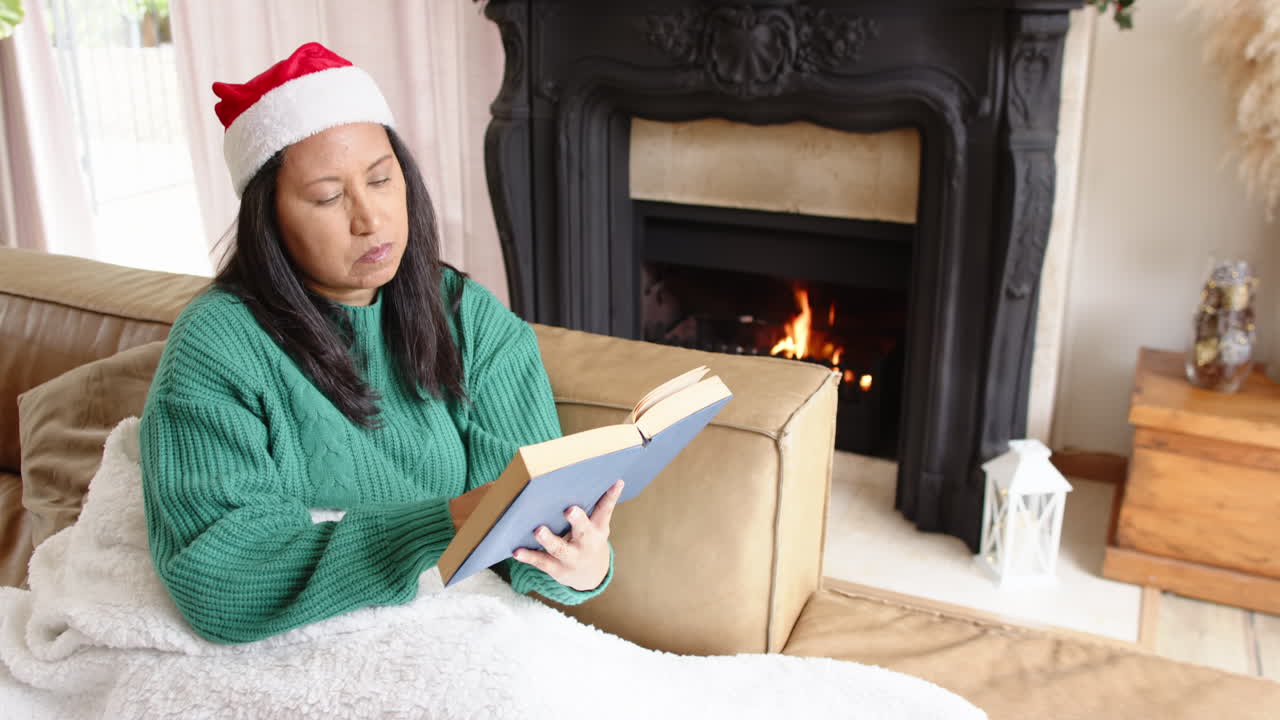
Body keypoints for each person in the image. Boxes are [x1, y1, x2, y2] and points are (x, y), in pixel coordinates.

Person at [138, 42, 619, 645]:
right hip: (292, 645)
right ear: (269, 218)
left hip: (457, 626)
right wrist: (443, 522)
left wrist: (583, 566)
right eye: (328, 197)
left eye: (381, 179)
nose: (370, 218)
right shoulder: (219, 345)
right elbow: (219, 579)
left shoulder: (467, 317)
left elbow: (531, 526)